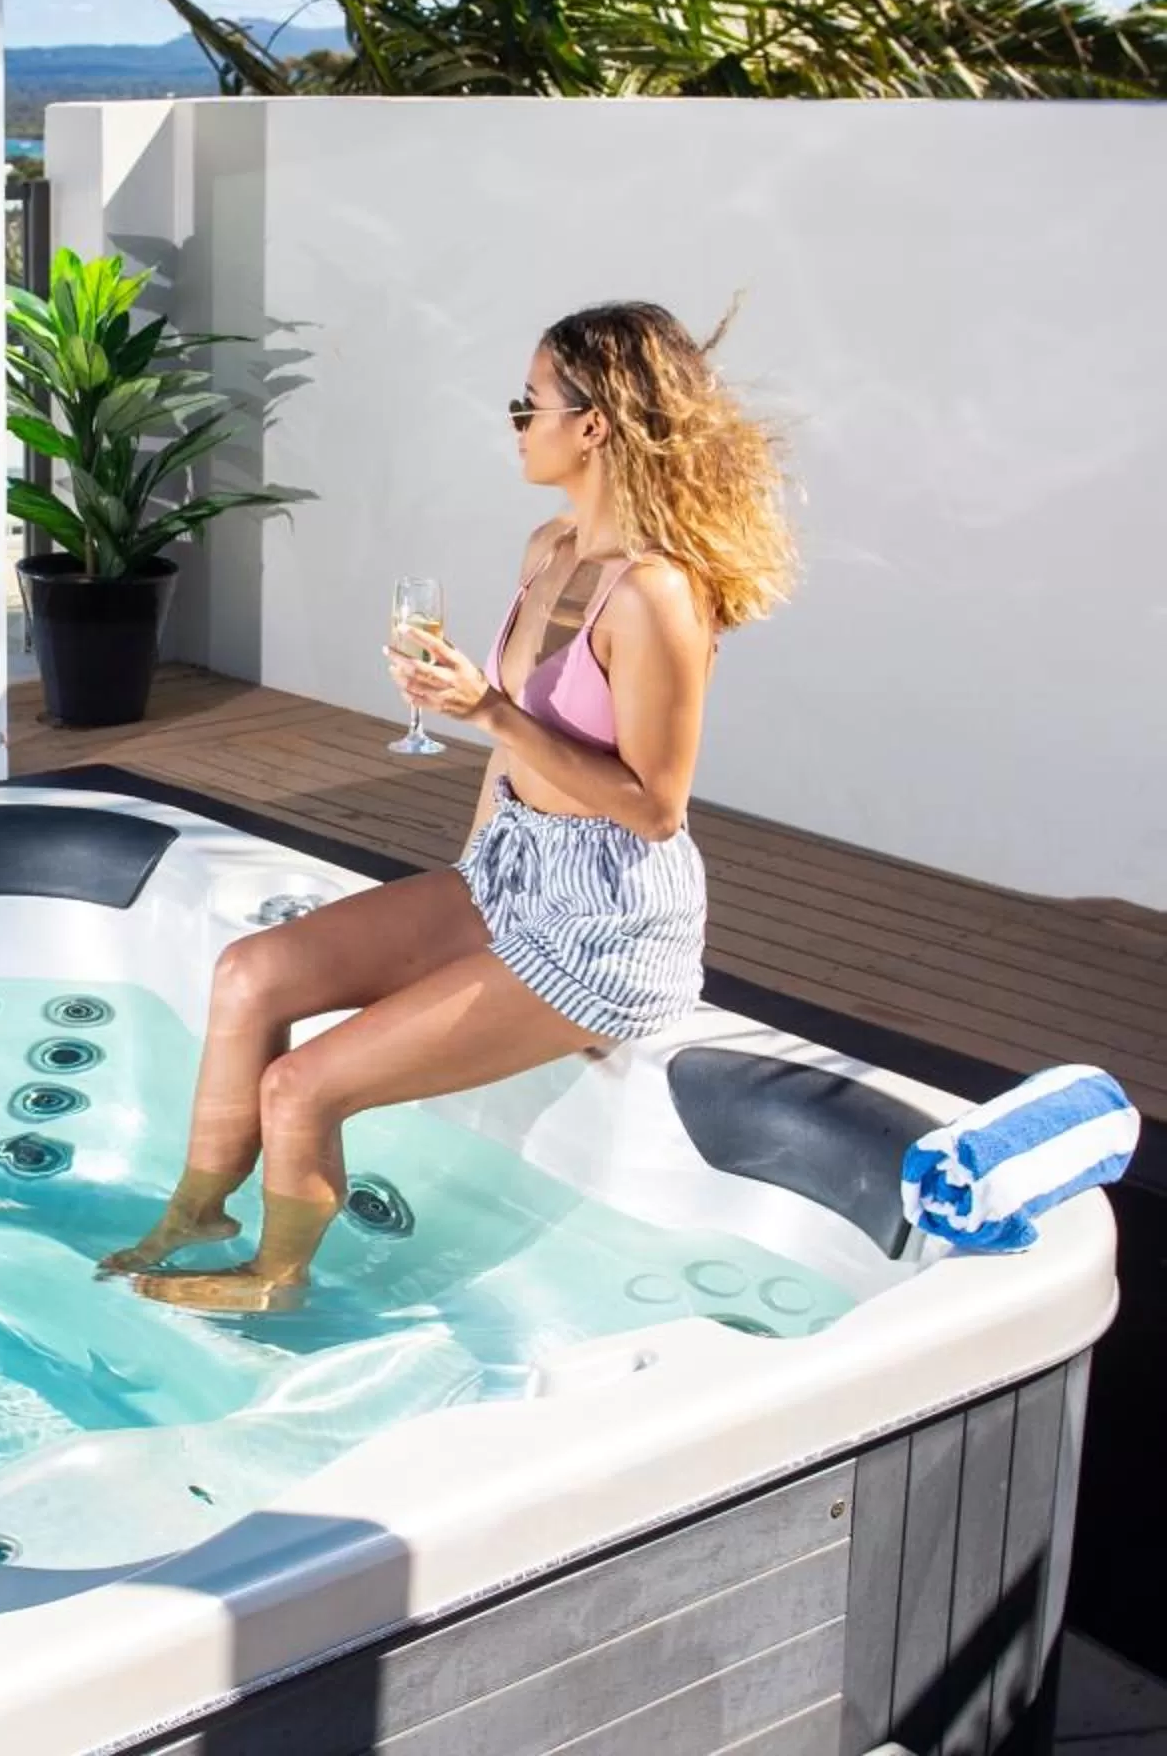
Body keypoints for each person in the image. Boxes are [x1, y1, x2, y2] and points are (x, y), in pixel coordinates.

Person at [100, 301, 798, 1310]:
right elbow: (510, 752)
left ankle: (275, 1279)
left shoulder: (658, 596)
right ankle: (196, 1210)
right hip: (513, 872)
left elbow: (654, 806)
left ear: (593, 424)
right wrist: (467, 874)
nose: (517, 421)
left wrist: (487, 710)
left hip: (605, 922)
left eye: (532, 402)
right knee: (250, 973)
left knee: (302, 1088)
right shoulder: (548, 548)